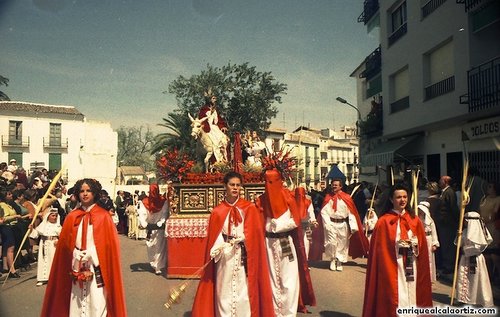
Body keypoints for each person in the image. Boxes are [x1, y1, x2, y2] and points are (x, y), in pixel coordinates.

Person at [192, 171, 275, 317]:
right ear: (225, 186)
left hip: (243, 254)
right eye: (232, 185)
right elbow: (215, 235)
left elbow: (255, 233)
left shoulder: (249, 208)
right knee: (223, 288)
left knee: (243, 289)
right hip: (225, 256)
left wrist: (243, 237)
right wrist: (217, 246)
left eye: (238, 185)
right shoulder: (217, 211)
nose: (235, 188)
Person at [40, 178, 126, 316]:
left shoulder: (104, 216)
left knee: (97, 302)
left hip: (96, 266)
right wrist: (74, 253)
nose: (85, 194)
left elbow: (109, 246)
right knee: (77, 301)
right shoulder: (71, 217)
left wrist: (92, 253)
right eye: (82, 191)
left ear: (94, 193)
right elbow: (65, 245)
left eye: (88, 191)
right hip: (76, 264)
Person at [362, 182, 432, 317]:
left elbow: (422, 245)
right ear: (391, 200)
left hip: (412, 263)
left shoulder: (414, 220)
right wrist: (397, 244)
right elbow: (380, 250)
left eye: (405, 197)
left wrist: (414, 244)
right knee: (397, 292)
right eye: (399, 197)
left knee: (411, 290)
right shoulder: (383, 221)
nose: (402, 200)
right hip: (393, 265)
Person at [256, 169, 315, 316]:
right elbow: (257, 221)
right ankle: (275, 311)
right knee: (271, 279)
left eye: (273, 181)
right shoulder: (261, 200)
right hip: (268, 243)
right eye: (266, 181)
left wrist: (279, 226)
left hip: (285, 241)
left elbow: (296, 220)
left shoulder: (288, 197)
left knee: (289, 278)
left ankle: (288, 312)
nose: (270, 185)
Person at [320, 178, 368, 271]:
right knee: (331, 242)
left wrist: (353, 226)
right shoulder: (328, 197)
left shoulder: (347, 198)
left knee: (342, 243)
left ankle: (339, 260)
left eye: (336, 185)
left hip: (343, 224)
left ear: (340, 186)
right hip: (331, 223)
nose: (334, 186)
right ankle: (332, 259)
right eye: (333, 184)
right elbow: (324, 212)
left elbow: (351, 212)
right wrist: (327, 224)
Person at [456, 211, 494, 307]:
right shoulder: (464, 231)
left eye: (465, 220)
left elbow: (479, 247)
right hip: (465, 259)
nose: (464, 222)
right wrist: (458, 236)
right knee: (463, 278)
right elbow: (459, 244)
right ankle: (462, 298)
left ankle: (477, 299)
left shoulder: (480, 233)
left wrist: (467, 250)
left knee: (476, 280)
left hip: (475, 259)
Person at [138, 183, 169, 275]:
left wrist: (161, 222)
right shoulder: (144, 202)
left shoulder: (163, 201)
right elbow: (142, 214)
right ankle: (153, 263)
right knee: (150, 246)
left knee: (159, 247)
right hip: (150, 228)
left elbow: (165, 213)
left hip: (159, 228)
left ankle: (158, 266)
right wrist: (144, 223)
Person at [29, 207, 61, 286]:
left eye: (56, 216)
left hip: (53, 245)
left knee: (52, 260)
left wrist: (59, 241)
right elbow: (35, 235)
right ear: (48, 216)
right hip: (43, 243)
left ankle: (53, 278)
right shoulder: (43, 225)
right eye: (53, 215)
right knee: (43, 260)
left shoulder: (58, 226)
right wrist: (31, 229)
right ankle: (43, 278)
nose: (55, 217)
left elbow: (63, 236)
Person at [437, 175, 460, 275]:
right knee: (444, 243)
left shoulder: (450, 192)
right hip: (443, 223)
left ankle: (449, 265)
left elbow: (453, 207)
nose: (439, 182)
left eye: (441, 180)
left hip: (448, 223)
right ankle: (446, 263)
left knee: (448, 244)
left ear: (445, 181)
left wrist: (457, 221)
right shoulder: (443, 192)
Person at [198, 93, 229, 163]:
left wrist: (223, 126)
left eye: (215, 98)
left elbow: (219, 120)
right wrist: (205, 127)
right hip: (207, 128)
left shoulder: (215, 110)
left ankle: (223, 161)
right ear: (209, 99)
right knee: (213, 143)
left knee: (223, 140)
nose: (215, 100)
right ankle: (214, 161)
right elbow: (201, 119)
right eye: (213, 98)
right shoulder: (204, 109)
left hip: (215, 128)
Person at [417, 201, 439, 283]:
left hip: (428, 239)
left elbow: (434, 232)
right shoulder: (417, 219)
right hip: (420, 239)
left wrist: (434, 243)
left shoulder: (430, 221)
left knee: (429, 258)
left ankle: (428, 277)